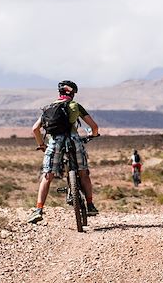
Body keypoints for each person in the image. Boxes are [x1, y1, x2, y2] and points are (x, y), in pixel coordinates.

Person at [27, 80, 100, 224]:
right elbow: (94, 126)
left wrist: (42, 144)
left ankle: (38, 210)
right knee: (83, 172)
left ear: (59, 93)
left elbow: (35, 129)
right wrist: (93, 134)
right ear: (72, 94)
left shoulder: (49, 108)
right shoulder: (75, 106)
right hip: (74, 141)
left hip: (54, 142)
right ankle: (90, 204)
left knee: (47, 176)